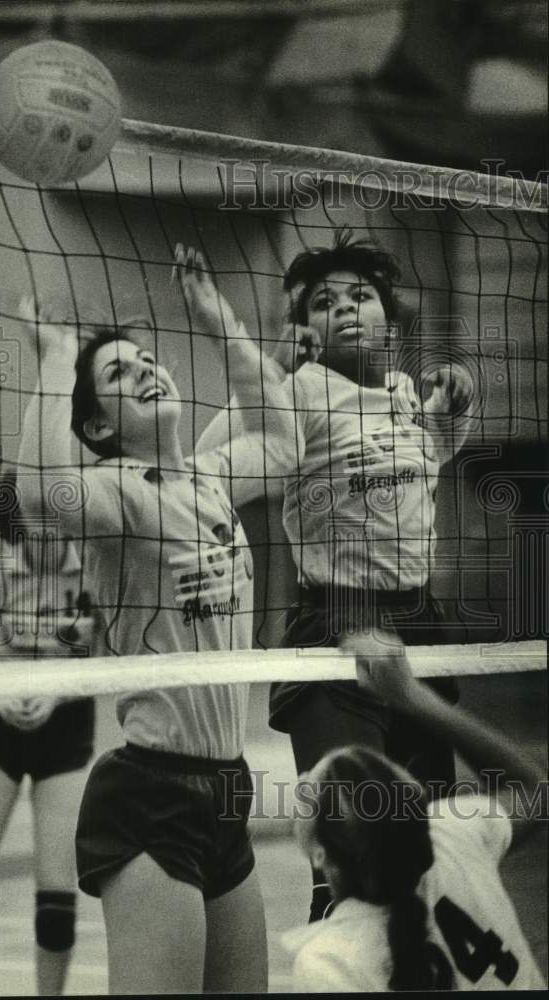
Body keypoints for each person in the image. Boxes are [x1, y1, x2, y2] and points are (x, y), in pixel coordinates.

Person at [14, 245, 303, 995]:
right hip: (152, 794)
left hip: (227, 786)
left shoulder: (211, 477)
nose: (145, 369)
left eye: (147, 358)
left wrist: (216, 319)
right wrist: (57, 360)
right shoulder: (116, 492)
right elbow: (41, 493)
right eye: (119, 372)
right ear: (101, 428)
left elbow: (284, 440)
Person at [198, 228, 476, 920]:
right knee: (350, 851)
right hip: (337, 631)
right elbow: (201, 465)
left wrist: (455, 413)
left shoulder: (409, 393)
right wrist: (265, 380)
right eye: (324, 302)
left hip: (421, 633)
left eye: (361, 296)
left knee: (422, 851)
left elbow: (425, 465)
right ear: (309, 332)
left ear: (390, 317)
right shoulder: (300, 391)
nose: (346, 308)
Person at [283, 630, 547, 992]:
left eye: (309, 787)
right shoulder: (452, 834)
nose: (300, 782)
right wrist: (414, 696)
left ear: (319, 854)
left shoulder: (328, 961)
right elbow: (536, 790)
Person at [0, 471, 97, 997]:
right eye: (36, 516)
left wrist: (55, 692)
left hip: (68, 736)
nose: (49, 528)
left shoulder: (95, 573)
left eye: (57, 513)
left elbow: (120, 656)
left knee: (56, 907)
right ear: (16, 522)